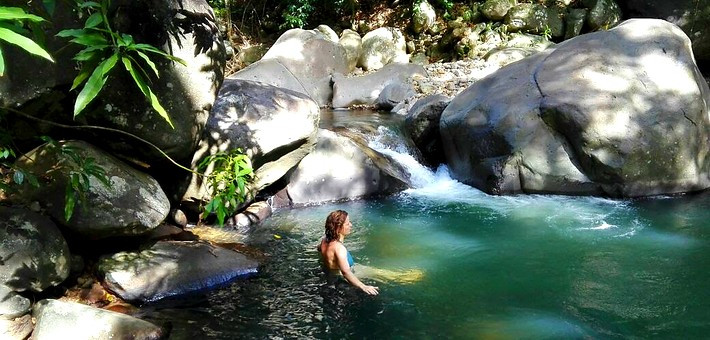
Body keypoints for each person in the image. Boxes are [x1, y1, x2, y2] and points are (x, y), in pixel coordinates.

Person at [318, 210, 380, 295]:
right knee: (383, 275)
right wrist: (363, 286)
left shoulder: (324, 241)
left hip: (331, 275)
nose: (351, 225)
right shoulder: (339, 248)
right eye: (347, 224)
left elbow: (319, 249)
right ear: (338, 228)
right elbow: (346, 272)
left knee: (380, 272)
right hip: (342, 277)